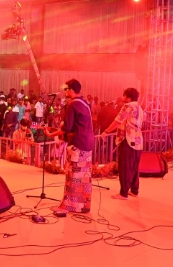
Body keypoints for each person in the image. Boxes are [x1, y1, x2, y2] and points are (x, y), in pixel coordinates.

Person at [43, 79, 94, 213]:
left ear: (71, 89)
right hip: (88, 144)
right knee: (84, 178)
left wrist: (51, 134)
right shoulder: (85, 103)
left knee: (73, 176)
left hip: (77, 144)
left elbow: (66, 128)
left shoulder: (72, 104)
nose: (65, 91)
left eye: (66, 89)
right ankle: (83, 206)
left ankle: (68, 206)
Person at [103, 88, 144, 200]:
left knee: (125, 166)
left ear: (128, 97)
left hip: (127, 140)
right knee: (134, 166)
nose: (122, 98)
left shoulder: (128, 106)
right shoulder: (140, 108)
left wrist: (106, 131)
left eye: (124, 95)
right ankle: (134, 190)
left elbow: (118, 121)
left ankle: (123, 193)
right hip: (138, 140)